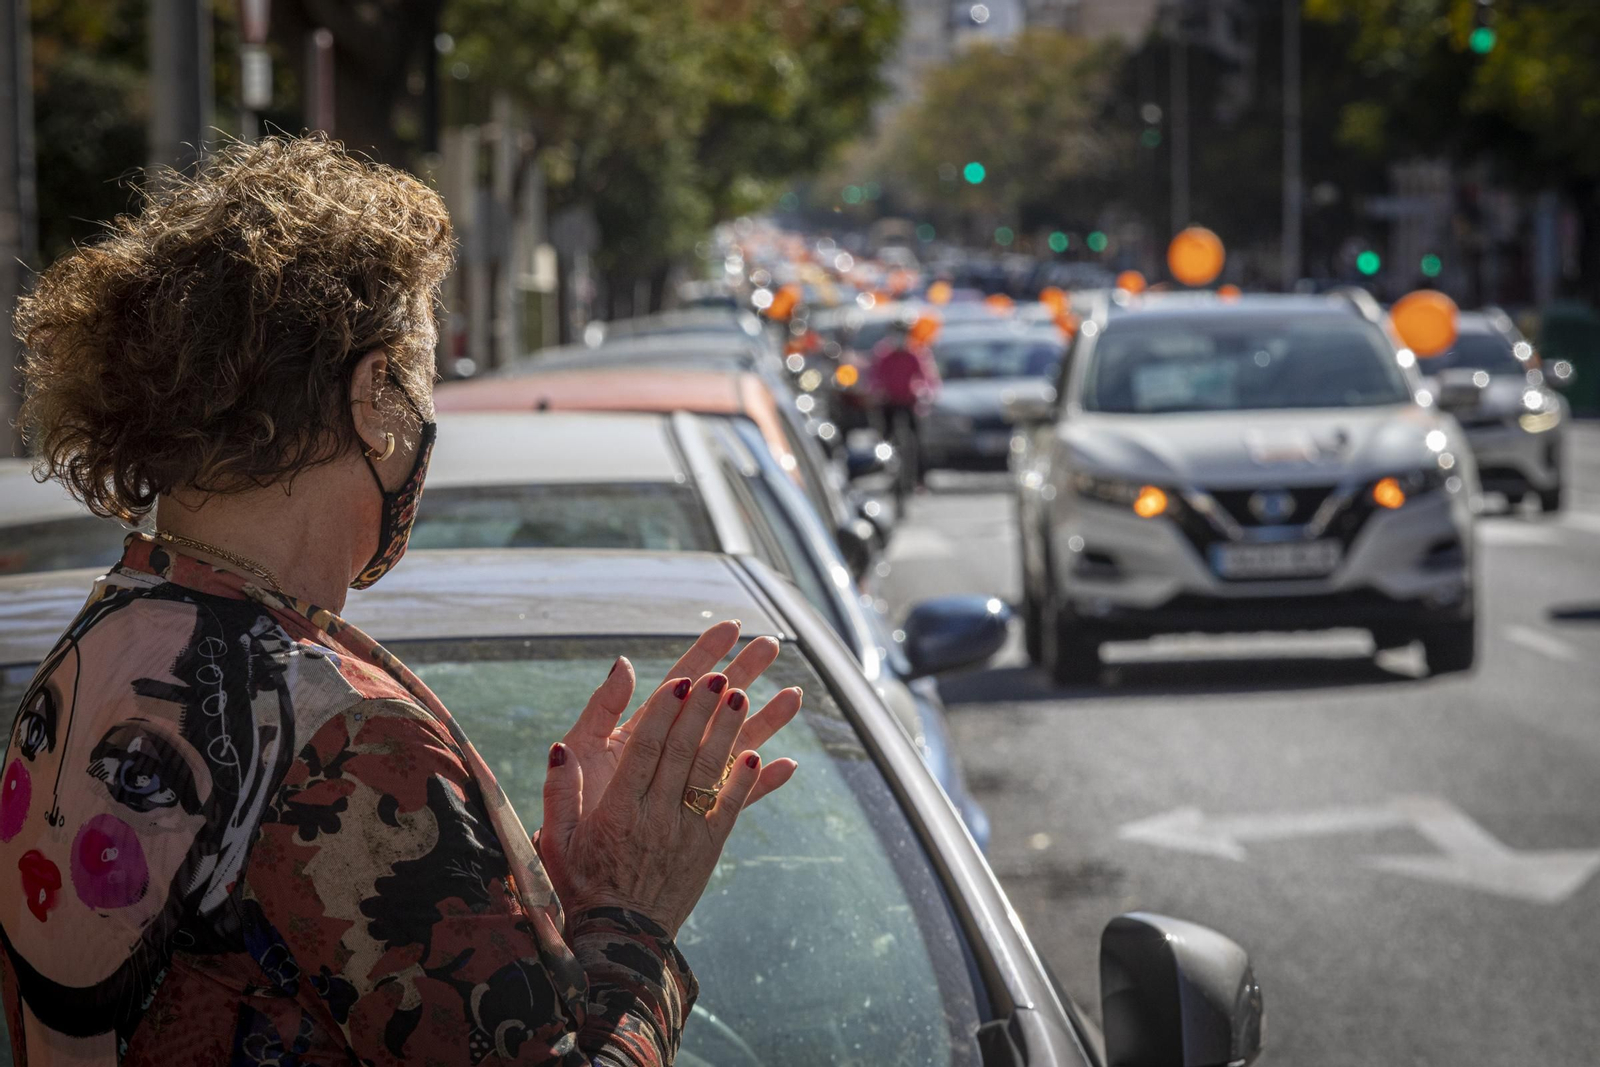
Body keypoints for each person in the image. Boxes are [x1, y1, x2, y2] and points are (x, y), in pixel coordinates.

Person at [2, 135, 801, 1066]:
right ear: (376, 392)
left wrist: (529, 900)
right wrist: (634, 917)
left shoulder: (98, 642)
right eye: (421, 379)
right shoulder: (344, 736)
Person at [867, 320, 942, 497]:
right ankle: (888, 473)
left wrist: (926, 393)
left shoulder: (915, 353)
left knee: (916, 441)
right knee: (885, 439)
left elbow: (927, 377)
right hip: (888, 402)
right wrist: (876, 390)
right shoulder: (883, 354)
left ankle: (920, 480)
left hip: (909, 402)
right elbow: (873, 376)